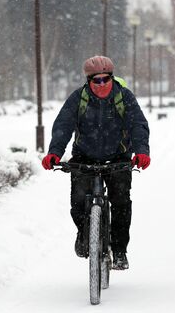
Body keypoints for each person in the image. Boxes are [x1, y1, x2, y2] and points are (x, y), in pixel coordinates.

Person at [41, 56, 150, 270]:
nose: (101, 85)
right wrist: (54, 152)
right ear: (89, 81)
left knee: (121, 203)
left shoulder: (124, 97)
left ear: (112, 78)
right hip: (84, 157)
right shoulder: (79, 98)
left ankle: (119, 251)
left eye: (105, 79)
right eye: (96, 81)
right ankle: (84, 233)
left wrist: (141, 151)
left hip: (117, 158)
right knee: (78, 201)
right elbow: (63, 125)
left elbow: (138, 124)